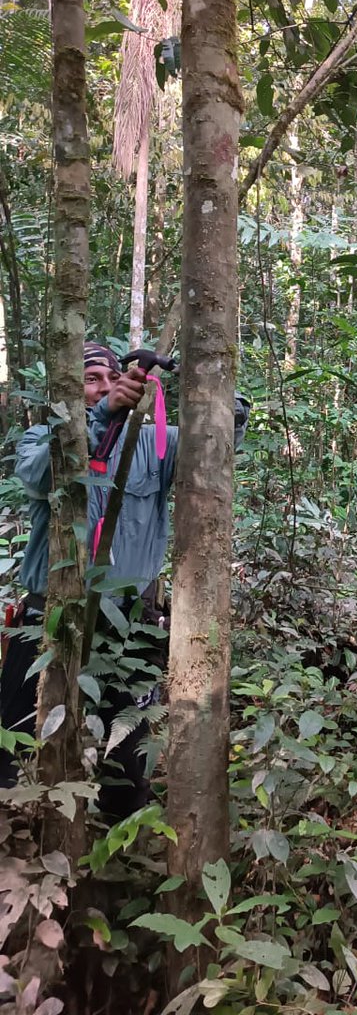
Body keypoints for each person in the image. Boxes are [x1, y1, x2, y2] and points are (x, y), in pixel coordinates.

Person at [0, 342, 250, 818]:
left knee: (129, 745)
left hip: (130, 619)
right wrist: (99, 423)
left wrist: (203, 380)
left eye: (108, 378)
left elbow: (221, 436)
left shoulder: (156, 443)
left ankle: (118, 841)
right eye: (87, 380)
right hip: (48, 611)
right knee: (11, 729)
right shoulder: (42, 438)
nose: (100, 389)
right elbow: (36, 476)